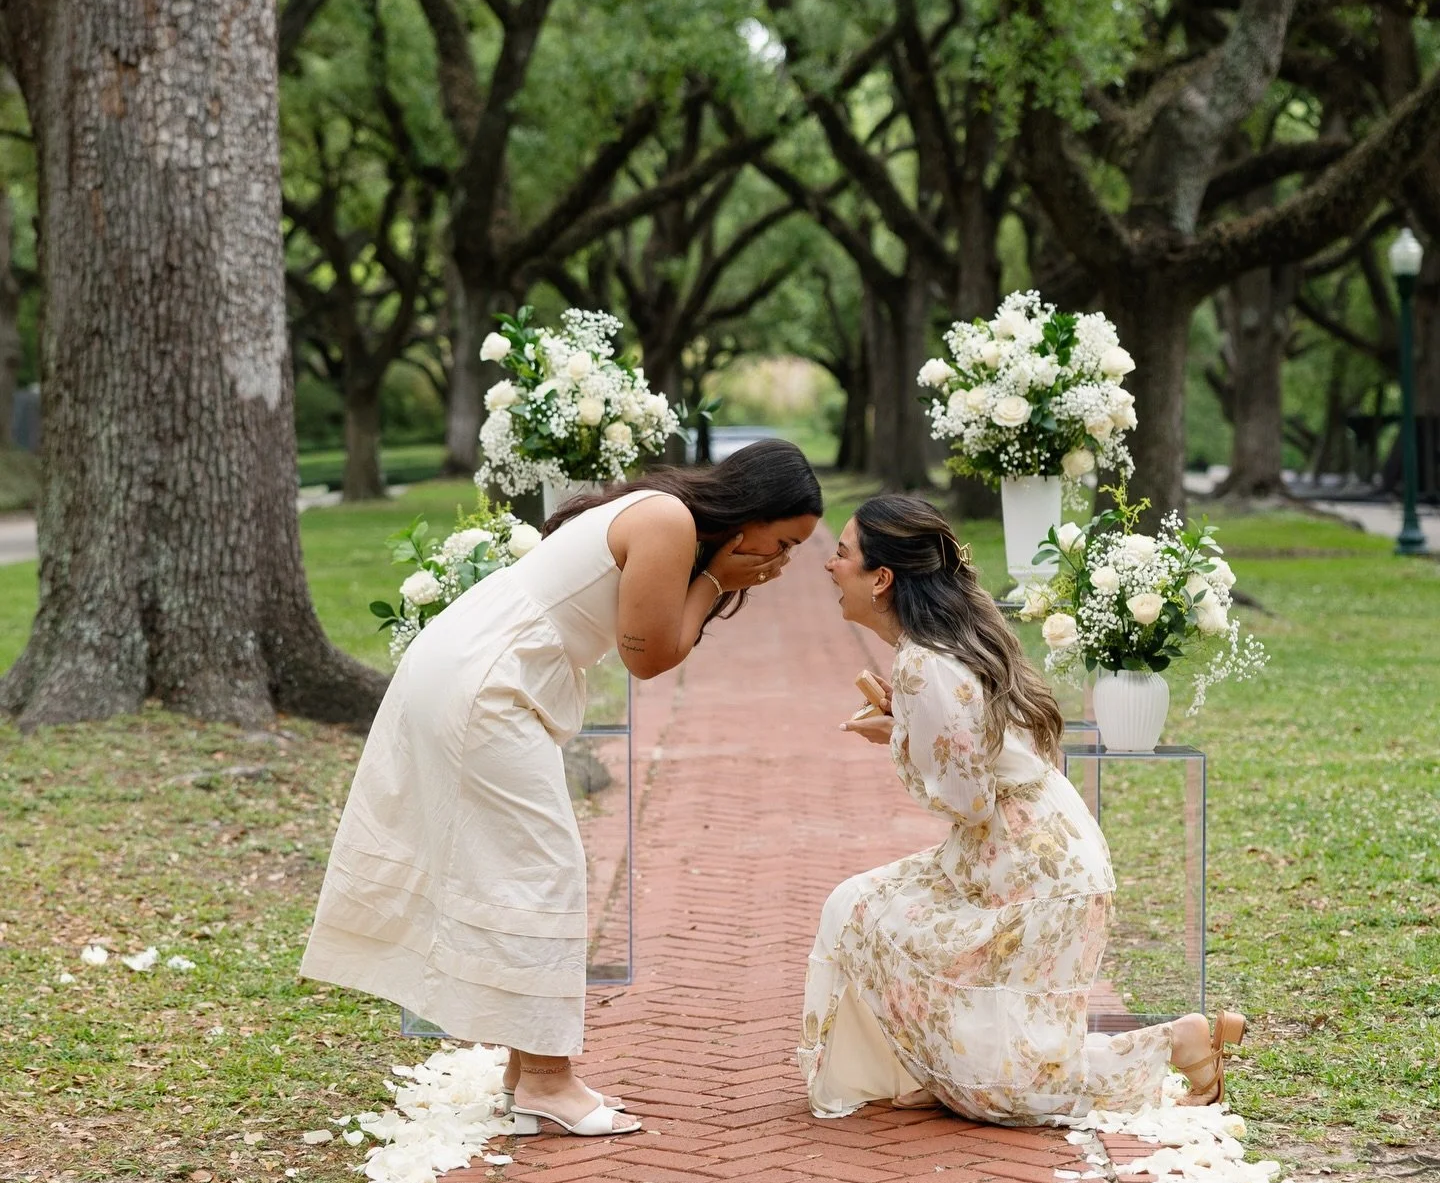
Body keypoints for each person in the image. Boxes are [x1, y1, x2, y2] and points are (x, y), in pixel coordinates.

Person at [303, 440, 821, 1137]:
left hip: (481, 661)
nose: (784, 561)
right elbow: (651, 657)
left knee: (531, 863)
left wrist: (720, 576)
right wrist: (721, 581)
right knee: (546, 867)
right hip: (489, 678)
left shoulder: (669, 515)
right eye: (785, 541)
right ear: (754, 512)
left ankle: (528, 1074)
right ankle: (548, 1080)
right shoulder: (669, 522)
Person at [799, 493, 1245, 1125]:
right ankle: (935, 1064)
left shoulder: (925, 664)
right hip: (1017, 863)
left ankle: (1176, 1044)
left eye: (841, 554)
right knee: (858, 905)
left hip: (1041, 884)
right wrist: (906, 724)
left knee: (1017, 1099)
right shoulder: (940, 648)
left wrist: (895, 736)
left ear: (881, 578)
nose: (829, 565)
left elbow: (969, 800)